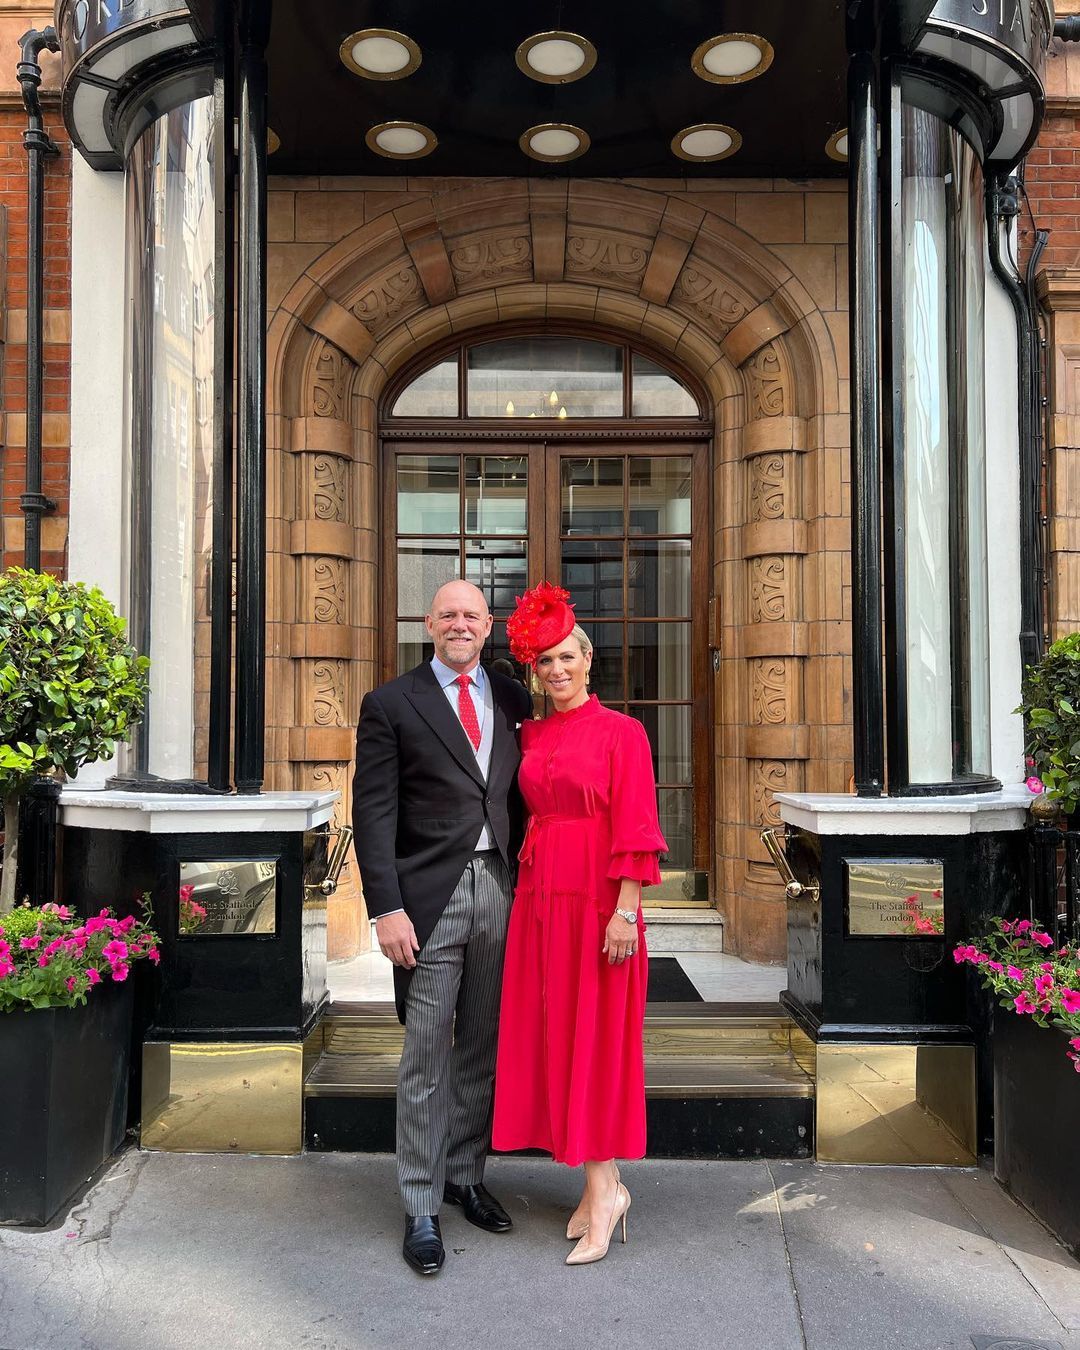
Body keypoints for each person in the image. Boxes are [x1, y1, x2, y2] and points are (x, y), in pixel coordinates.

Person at [352, 579, 532, 1278]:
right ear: (429, 623)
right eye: (448, 614)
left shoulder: (514, 699)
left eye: (472, 616)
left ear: (489, 627)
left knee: (484, 1043)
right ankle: (421, 1204)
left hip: (502, 890)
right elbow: (373, 813)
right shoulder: (392, 704)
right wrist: (384, 907)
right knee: (426, 1052)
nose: (460, 625)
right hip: (427, 901)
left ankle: (464, 1175)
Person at [492, 581, 667, 1266]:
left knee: (596, 1044)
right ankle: (602, 1186)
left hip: (601, 905)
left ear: (590, 660)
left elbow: (639, 828)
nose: (557, 670)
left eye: (567, 657)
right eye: (545, 662)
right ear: (533, 672)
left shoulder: (624, 733)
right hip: (539, 903)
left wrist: (627, 911)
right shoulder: (529, 734)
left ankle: (604, 1195)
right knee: (556, 1038)